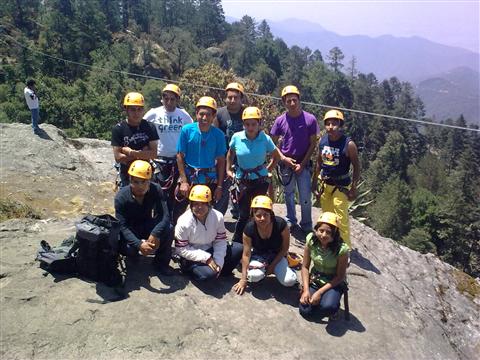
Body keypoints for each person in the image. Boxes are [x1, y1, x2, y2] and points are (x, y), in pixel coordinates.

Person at [226, 106, 284, 243]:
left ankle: (262, 240)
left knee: (261, 212)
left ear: (259, 124)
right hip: (242, 180)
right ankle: (238, 243)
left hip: (260, 180)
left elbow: (276, 156)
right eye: (247, 124)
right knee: (244, 214)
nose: (250, 127)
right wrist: (228, 170)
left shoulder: (265, 139)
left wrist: (268, 169)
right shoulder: (237, 137)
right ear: (243, 124)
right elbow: (230, 153)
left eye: (254, 124)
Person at [270, 85, 319, 234]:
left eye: (294, 100)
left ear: (299, 100)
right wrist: (283, 159)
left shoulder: (310, 119)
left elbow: (313, 143)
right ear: (284, 102)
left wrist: (303, 164)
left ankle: (306, 224)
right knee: (288, 194)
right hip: (286, 163)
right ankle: (291, 219)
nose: (292, 103)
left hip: (303, 162)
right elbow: (271, 143)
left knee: (305, 196)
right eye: (288, 100)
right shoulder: (280, 121)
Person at [114, 160, 174, 275]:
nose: (140, 186)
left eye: (144, 182)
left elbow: (164, 215)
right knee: (129, 248)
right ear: (130, 180)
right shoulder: (121, 197)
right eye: (136, 182)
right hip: (130, 229)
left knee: (169, 228)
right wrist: (139, 244)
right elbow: (122, 226)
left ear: (150, 180)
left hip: (146, 225)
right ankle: (133, 256)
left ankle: (161, 263)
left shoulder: (156, 189)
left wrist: (155, 233)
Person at [312, 109, 360, 248]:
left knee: (341, 219)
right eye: (328, 124)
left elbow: (356, 166)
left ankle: (344, 249)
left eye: (334, 123)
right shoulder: (323, 141)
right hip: (325, 184)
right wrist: (314, 183)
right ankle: (328, 244)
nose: (330, 127)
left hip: (341, 186)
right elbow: (319, 162)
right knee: (327, 217)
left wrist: (353, 188)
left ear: (340, 125)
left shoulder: (348, 144)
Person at [174, 185, 243, 281]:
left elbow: (220, 241)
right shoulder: (183, 221)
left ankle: (218, 270)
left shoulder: (218, 217)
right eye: (196, 204)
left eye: (203, 204)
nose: (199, 207)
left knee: (239, 248)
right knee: (208, 275)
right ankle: (192, 270)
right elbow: (181, 249)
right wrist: (207, 258)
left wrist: (218, 261)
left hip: (211, 249)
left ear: (209, 204)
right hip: (193, 255)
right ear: (191, 204)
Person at [143, 84, 193, 215]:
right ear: (162, 99)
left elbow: (191, 135)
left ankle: (172, 226)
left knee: (176, 198)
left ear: (177, 100)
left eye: (173, 99)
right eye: (166, 98)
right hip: (159, 162)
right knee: (158, 196)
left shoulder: (184, 116)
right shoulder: (154, 113)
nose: (169, 102)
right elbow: (142, 128)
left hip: (178, 163)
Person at [175, 96, 226, 222]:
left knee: (208, 213)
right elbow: (180, 156)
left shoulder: (218, 135)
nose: (204, 118)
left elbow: (221, 161)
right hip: (189, 176)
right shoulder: (187, 130)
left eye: (208, 115)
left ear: (213, 116)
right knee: (178, 211)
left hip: (209, 178)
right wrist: (183, 181)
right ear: (196, 113)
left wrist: (219, 186)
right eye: (201, 114)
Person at [233, 195, 297, 295]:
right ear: (253, 215)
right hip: (259, 256)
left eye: (266, 215)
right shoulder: (249, 229)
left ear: (271, 214)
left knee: (289, 281)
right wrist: (243, 279)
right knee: (254, 277)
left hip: (278, 256)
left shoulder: (280, 225)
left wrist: (272, 266)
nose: (262, 218)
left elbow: (285, 248)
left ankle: (286, 269)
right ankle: (263, 270)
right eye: (258, 215)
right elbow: (246, 255)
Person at [299, 212, 349, 318]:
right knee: (305, 310)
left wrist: (320, 292)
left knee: (327, 307)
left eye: (328, 232)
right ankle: (324, 301)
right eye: (321, 230)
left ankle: (332, 305)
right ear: (316, 230)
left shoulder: (341, 250)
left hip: (333, 282)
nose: (323, 235)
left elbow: (340, 276)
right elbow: (305, 267)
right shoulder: (311, 241)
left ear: (334, 234)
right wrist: (306, 290)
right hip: (316, 278)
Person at [111, 92, 158, 187]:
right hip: (127, 174)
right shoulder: (119, 129)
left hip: (146, 173)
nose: (136, 113)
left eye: (139, 109)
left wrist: (131, 152)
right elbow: (118, 157)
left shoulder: (150, 127)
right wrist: (143, 154)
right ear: (126, 110)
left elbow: (153, 154)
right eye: (133, 110)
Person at [214, 82, 247, 217]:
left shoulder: (247, 113)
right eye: (229, 97)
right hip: (223, 155)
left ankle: (239, 212)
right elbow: (214, 134)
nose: (232, 100)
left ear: (241, 98)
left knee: (243, 186)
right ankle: (219, 215)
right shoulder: (220, 113)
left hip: (242, 157)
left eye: (236, 97)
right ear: (225, 98)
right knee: (223, 184)